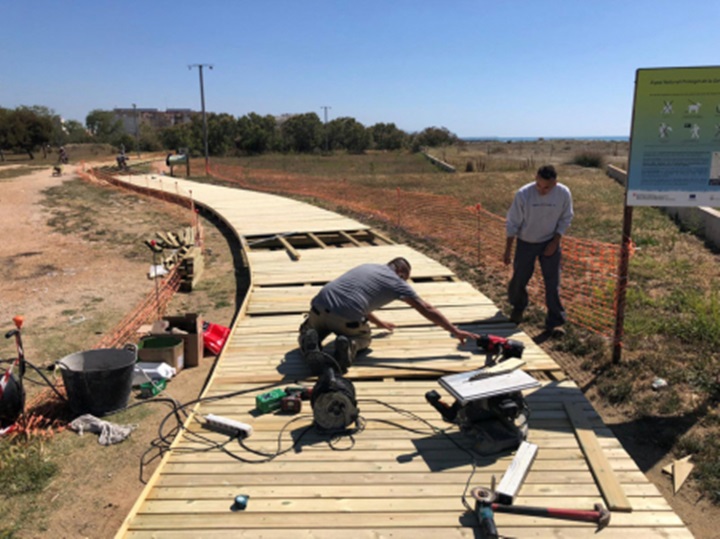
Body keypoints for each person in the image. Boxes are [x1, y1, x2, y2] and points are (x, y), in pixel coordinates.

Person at [298, 257, 479, 373]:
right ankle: (349, 346)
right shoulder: (396, 282)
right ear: (401, 272)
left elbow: (355, 297)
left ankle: (310, 337)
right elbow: (426, 308)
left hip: (318, 306)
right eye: (405, 278)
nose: (404, 283)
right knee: (364, 338)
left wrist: (379, 322)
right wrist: (454, 330)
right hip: (345, 318)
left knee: (315, 326)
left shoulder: (368, 266)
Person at [504, 165, 574, 333]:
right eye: (539, 185)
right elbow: (512, 222)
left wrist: (555, 242)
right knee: (519, 278)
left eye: (547, 187)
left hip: (550, 241)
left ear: (555, 183)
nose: (542, 190)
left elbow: (566, 218)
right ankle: (518, 307)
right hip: (526, 242)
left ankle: (555, 320)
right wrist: (508, 250)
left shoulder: (563, 193)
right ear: (535, 179)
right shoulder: (523, 194)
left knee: (552, 282)